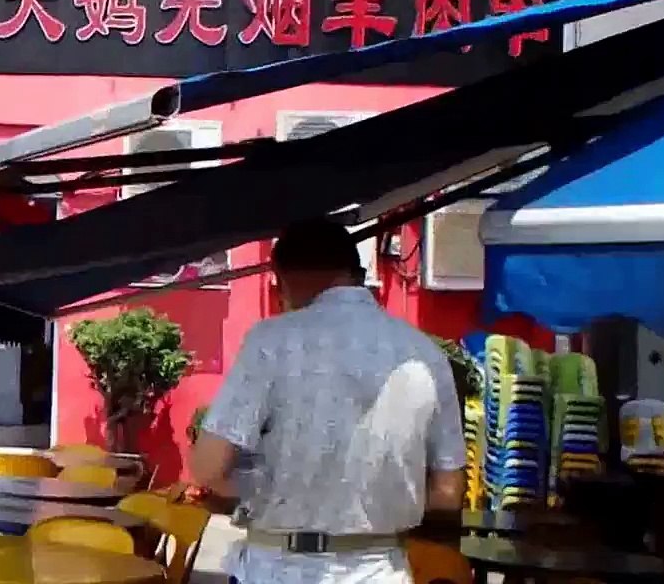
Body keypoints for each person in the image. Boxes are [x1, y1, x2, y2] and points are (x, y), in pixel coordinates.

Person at [190, 218, 466, 584]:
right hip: (381, 569)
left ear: (284, 275)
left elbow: (208, 466)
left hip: (278, 568)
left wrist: (258, 489)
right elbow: (449, 492)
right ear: (357, 272)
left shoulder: (273, 340)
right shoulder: (425, 353)